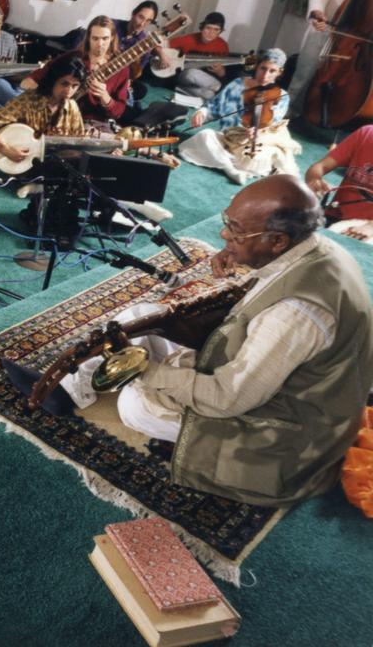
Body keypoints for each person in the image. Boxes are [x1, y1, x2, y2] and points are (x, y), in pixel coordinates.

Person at [67, 176, 373, 507]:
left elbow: (227, 398)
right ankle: (72, 389)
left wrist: (145, 371)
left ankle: (124, 393)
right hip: (277, 378)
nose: (225, 235)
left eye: (237, 231)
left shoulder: (295, 313)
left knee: (134, 406)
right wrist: (246, 262)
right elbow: (268, 289)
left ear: (278, 241)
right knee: (143, 316)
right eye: (228, 222)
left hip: (288, 433)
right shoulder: (316, 249)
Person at [181, 49, 296, 185]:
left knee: (264, 156)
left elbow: (273, 123)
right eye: (263, 68)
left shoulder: (281, 95)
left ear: (280, 72)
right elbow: (215, 106)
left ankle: (223, 160)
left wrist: (259, 131)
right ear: (257, 66)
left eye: (272, 71)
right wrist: (203, 112)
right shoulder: (238, 84)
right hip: (229, 138)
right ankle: (230, 170)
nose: (265, 75)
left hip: (257, 142)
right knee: (205, 135)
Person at [0, 56, 87, 165]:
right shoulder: (27, 101)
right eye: (64, 83)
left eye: (75, 86)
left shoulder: (72, 106)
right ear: (53, 80)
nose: (69, 91)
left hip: (54, 165)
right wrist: (5, 149)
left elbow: (79, 144)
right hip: (19, 164)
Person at [24, 15, 128, 125]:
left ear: (112, 38)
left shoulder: (121, 69)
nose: (100, 44)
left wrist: (105, 97)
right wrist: (47, 99)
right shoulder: (72, 57)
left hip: (90, 124)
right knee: (3, 86)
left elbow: (118, 112)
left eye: (105, 38)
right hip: (55, 116)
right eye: (95, 38)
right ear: (88, 38)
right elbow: (30, 81)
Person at [305, 124, 373, 240]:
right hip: (334, 215)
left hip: (366, 227)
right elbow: (320, 166)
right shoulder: (366, 134)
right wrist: (314, 179)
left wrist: (370, 226)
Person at [162, 11, 231, 100]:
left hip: (206, 82)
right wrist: (162, 56)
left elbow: (223, 74)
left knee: (209, 95)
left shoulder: (223, 46)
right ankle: (219, 88)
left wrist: (221, 72)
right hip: (186, 75)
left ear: (220, 31)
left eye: (216, 29)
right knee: (192, 73)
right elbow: (162, 44)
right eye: (208, 28)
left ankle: (178, 89)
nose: (211, 32)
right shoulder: (189, 39)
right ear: (202, 27)